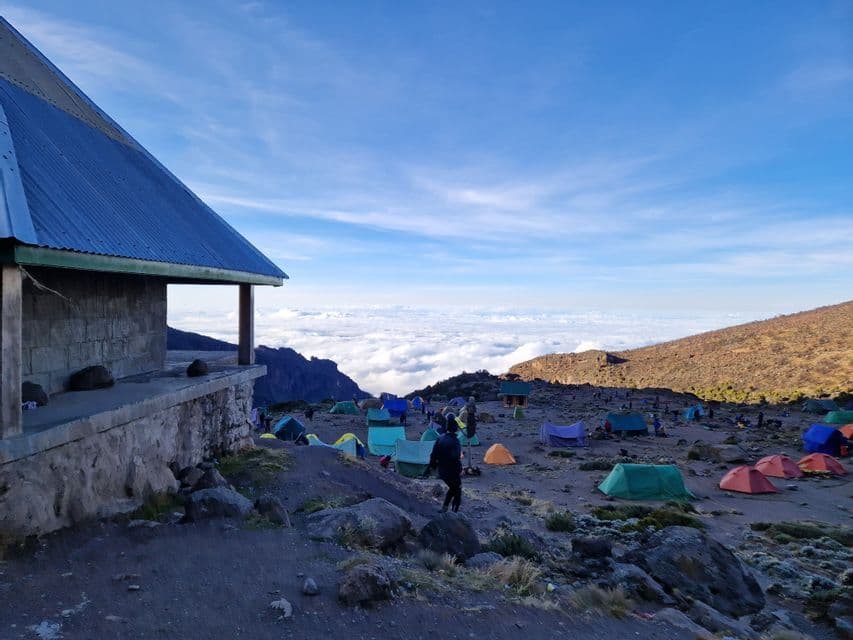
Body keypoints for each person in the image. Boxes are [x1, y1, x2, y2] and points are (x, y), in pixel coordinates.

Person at [429, 416, 463, 513]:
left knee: (453, 488)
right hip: (452, 471)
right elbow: (456, 458)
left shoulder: (440, 438)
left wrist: (433, 467)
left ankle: (444, 508)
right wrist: (460, 470)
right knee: (457, 490)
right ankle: (454, 511)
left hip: (442, 471)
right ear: (455, 429)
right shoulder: (455, 441)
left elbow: (433, 455)